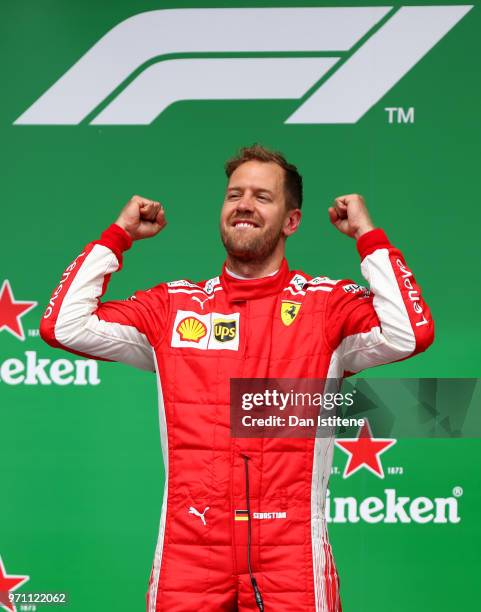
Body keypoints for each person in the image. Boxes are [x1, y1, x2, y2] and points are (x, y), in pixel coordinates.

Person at [40, 144, 434, 612]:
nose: (244, 204)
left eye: (262, 197)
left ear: (291, 221)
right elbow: (62, 326)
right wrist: (117, 236)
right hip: (189, 553)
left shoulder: (326, 307)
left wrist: (369, 237)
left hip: (291, 555)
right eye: (234, 195)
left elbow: (410, 331)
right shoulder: (173, 308)